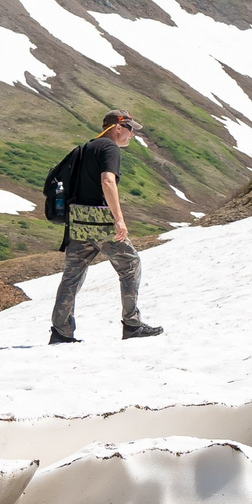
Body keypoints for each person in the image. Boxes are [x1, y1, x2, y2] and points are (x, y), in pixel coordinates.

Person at [51, 111, 164, 343]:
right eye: (130, 129)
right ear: (118, 127)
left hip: (77, 218)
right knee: (130, 263)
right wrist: (119, 218)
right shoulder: (109, 148)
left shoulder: (86, 148)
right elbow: (107, 181)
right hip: (99, 219)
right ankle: (132, 324)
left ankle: (61, 331)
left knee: (72, 275)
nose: (132, 134)